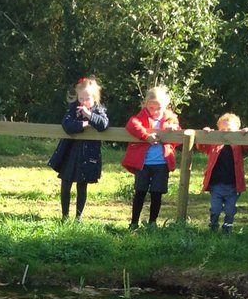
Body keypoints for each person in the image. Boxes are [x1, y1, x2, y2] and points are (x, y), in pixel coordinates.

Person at [48, 76, 109, 221]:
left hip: (88, 155)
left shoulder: (98, 110)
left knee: (82, 185)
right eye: (81, 98)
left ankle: (78, 217)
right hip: (70, 152)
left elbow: (104, 124)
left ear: (95, 98)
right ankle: (64, 216)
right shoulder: (73, 108)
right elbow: (67, 125)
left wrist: (89, 116)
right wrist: (81, 125)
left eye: (87, 98)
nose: (83, 102)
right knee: (66, 182)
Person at [121, 85, 181, 229]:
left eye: (158, 108)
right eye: (151, 108)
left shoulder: (170, 119)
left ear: (165, 105)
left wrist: (172, 130)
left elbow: (178, 136)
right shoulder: (142, 116)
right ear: (146, 104)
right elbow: (132, 124)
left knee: (157, 194)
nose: (154, 111)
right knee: (140, 192)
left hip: (161, 163)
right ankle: (134, 222)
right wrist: (146, 136)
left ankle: (152, 223)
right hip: (144, 163)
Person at [197, 111, 248, 232]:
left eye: (229, 130)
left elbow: (247, 145)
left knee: (230, 210)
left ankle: (227, 227)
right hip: (216, 184)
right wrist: (206, 134)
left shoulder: (238, 144)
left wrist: (245, 133)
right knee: (215, 209)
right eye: (222, 130)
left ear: (237, 130)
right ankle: (213, 226)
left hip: (233, 185)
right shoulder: (215, 143)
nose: (225, 133)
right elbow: (201, 146)